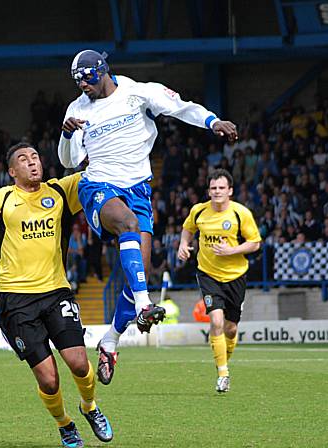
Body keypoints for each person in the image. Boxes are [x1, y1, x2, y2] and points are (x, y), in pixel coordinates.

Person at [58, 49, 238, 385]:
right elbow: (69, 160)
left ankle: (110, 341)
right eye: (78, 81)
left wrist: (213, 121)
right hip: (98, 184)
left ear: (104, 71)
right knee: (126, 226)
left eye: (89, 78)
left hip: (138, 189)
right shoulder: (77, 109)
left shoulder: (138, 92)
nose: (84, 86)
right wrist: (67, 134)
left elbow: (182, 108)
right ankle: (144, 303)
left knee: (134, 273)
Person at [0, 142, 112, 448]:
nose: (32, 163)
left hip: (56, 292)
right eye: (24, 160)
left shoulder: (62, 191)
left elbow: (98, 168)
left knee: (79, 363)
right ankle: (65, 424)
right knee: (49, 380)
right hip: (16, 301)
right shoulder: (1, 198)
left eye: (36, 157)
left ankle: (89, 407)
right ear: (13, 171)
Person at [178, 169, 261, 393]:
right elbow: (188, 229)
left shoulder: (240, 213)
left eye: (221, 188)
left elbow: (255, 243)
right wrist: (183, 245)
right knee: (216, 321)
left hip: (235, 275)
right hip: (208, 274)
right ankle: (222, 373)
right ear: (209, 191)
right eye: (213, 188)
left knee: (231, 329)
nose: (217, 192)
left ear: (230, 191)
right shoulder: (199, 211)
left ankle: (224, 359)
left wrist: (231, 250)